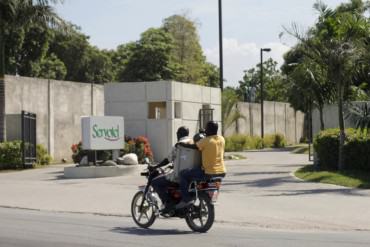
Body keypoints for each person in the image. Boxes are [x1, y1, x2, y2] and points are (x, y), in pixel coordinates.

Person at [176, 121, 226, 209]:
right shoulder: (221, 139)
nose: (205, 129)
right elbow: (211, 140)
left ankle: (186, 199)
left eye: (206, 128)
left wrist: (182, 144)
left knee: (183, 174)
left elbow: (194, 147)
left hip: (209, 172)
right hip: (221, 172)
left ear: (209, 129)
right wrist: (205, 133)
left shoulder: (205, 141)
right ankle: (210, 195)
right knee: (207, 183)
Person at [151, 126, 193, 213]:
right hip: (191, 174)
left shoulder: (179, 145)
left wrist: (156, 166)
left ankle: (168, 203)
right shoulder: (195, 143)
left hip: (178, 176)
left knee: (155, 182)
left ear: (179, 134)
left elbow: (168, 159)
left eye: (177, 133)